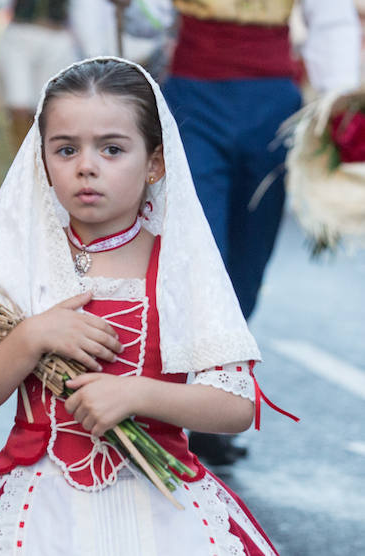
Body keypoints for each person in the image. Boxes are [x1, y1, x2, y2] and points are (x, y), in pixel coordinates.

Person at [0, 58, 281, 555]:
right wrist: (31, 337)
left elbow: (236, 407)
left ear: (155, 163)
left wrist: (138, 395)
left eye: (112, 149)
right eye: (66, 149)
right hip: (40, 514)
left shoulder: (179, 266)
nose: (86, 166)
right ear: (41, 160)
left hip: (165, 512)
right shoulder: (16, 265)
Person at [161, 0, 359, 465]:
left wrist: (342, 105)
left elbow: (330, 17)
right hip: (193, 99)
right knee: (195, 250)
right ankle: (162, 405)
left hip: (272, 110)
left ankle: (210, 405)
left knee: (247, 268)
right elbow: (146, 20)